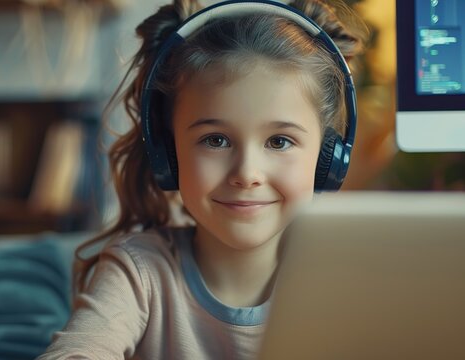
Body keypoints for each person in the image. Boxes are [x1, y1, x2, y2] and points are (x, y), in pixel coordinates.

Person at [38, 0, 367, 359]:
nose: (246, 174)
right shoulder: (139, 271)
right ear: (168, 152)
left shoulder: (345, 282)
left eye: (279, 141)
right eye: (216, 140)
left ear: (327, 158)